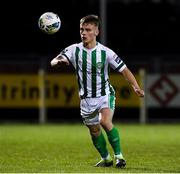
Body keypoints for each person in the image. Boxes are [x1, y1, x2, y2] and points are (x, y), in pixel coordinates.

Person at [50, 14, 144, 168]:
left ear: (96, 32)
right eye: (81, 29)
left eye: (88, 30)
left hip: (104, 94)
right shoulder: (74, 50)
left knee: (105, 122)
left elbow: (124, 70)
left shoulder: (106, 52)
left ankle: (119, 157)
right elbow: (54, 60)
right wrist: (58, 62)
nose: (84, 33)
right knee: (94, 131)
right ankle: (106, 158)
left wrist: (136, 87)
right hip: (86, 100)